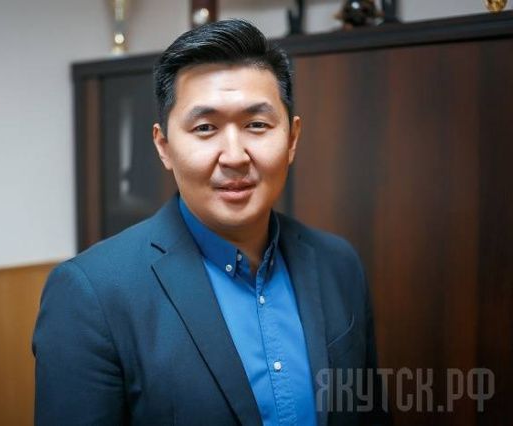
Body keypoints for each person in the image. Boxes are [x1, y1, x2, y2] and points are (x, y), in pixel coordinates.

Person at [33, 19, 390, 426]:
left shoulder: (338, 263)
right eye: (205, 128)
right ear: (164, 146)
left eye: (257, 125)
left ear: (292, 139)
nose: (235, 156)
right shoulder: (91, 295)